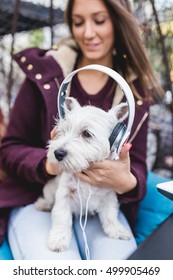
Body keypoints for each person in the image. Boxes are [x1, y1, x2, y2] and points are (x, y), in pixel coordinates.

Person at [0, 0, 163, 260]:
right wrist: (49, 165)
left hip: (103, 201)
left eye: (99, 20)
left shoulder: (135, 91)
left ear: (118, 22)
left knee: (122, 267)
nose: (87, 33)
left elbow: (139, 163)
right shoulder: (43, 73)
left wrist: (126, 181)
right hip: (35, 196)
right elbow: (9, 149)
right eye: (78, 22)